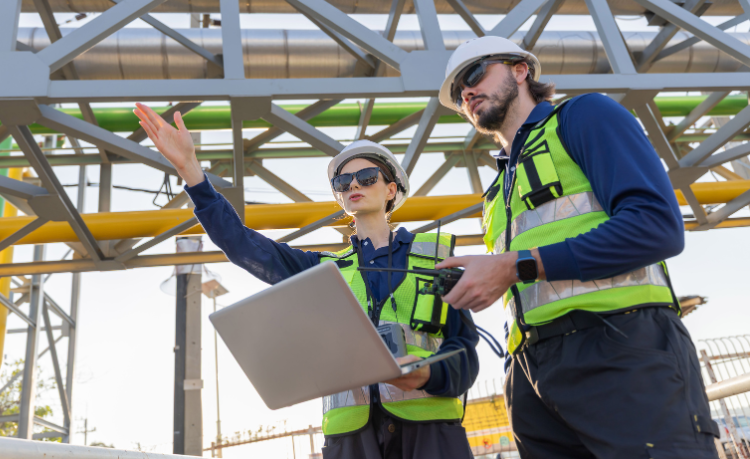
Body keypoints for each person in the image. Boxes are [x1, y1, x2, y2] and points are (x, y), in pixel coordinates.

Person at [133, 104, 480, 459]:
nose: (354, 185)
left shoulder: (436, 259)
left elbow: (465, 351)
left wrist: (426, 375)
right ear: (340, 197)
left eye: (368, 177)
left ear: (392, 189)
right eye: (343, 182)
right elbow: (241, 243)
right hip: (351, 440)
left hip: (431, 435)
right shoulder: (322, 272)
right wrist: (190, 170)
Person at [434, 36, 719, 458]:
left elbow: (657, 226)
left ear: (520, 70)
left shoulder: (583, 115)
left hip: (619, 348)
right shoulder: (496, 193)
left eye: (474, 74)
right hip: (530, 374)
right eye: (459, 93)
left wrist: (516, 266)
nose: (468, 92)